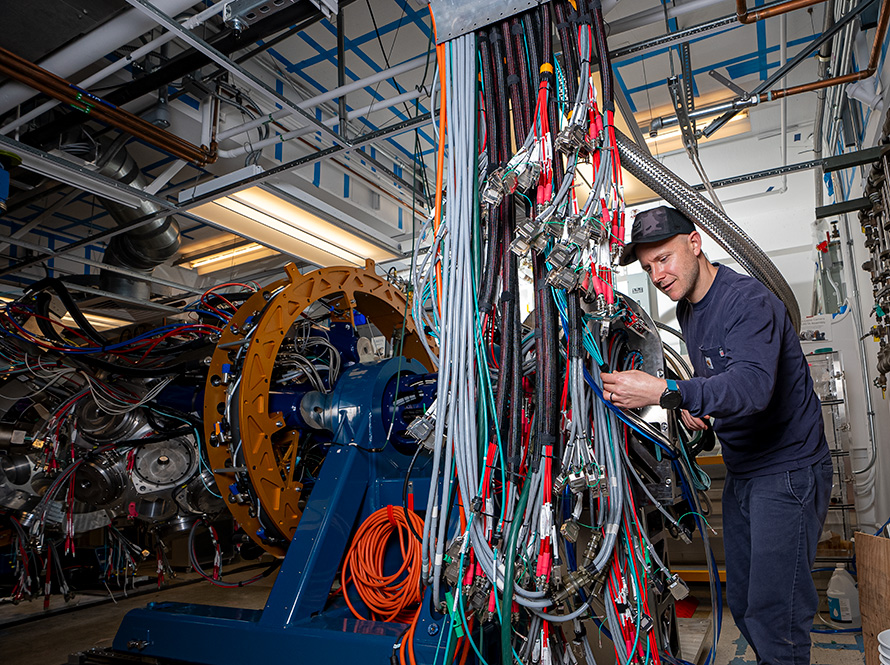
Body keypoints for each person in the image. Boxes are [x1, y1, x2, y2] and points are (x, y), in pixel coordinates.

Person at [600, 206, 831, 665]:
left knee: (777, 616)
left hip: (787, 471)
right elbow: (721, 382)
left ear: (695, 243)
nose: (658, 274)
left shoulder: (747, 301)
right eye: (648, 268)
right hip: (745, 470)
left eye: (664, 258)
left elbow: (752, 387)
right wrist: (695, 408)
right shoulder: (688, 310)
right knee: (745, 602)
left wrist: (668, 390)